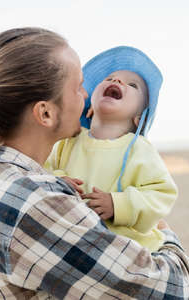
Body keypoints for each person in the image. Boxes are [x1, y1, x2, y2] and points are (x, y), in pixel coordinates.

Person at [0, 27, 189, 299]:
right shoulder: (39, 205)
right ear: (46, 113)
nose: (86, 95)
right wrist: (167, 237)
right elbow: (172, 290)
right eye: (78, 87)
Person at [45, 46, 177, 252]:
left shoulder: (139, 149)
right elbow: (43, 168)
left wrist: (119, 205)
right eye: (110, 78)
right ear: (89, 107)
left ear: (139, 119)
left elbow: (161, 193)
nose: (117, 81)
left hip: (126, 246)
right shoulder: (68, 141)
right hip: (75, 240)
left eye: (132, 85)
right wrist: (58, 180)